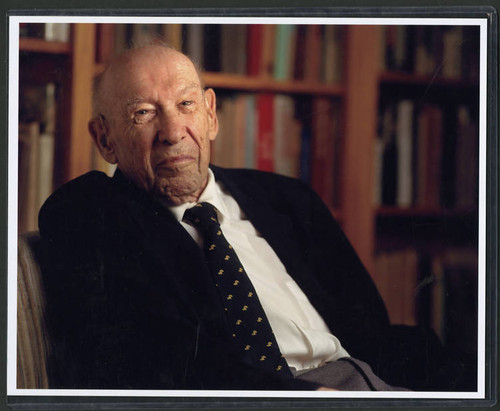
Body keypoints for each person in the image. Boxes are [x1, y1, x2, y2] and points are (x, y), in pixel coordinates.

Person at [38, 44, 451, 391]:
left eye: (186, 105)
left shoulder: (289, 199)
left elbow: (374, 333)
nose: (173, 131)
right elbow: (153, 362)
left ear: (211, 114)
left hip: (369, 382)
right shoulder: (99, 215)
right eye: (144, 113)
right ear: (104, 139)